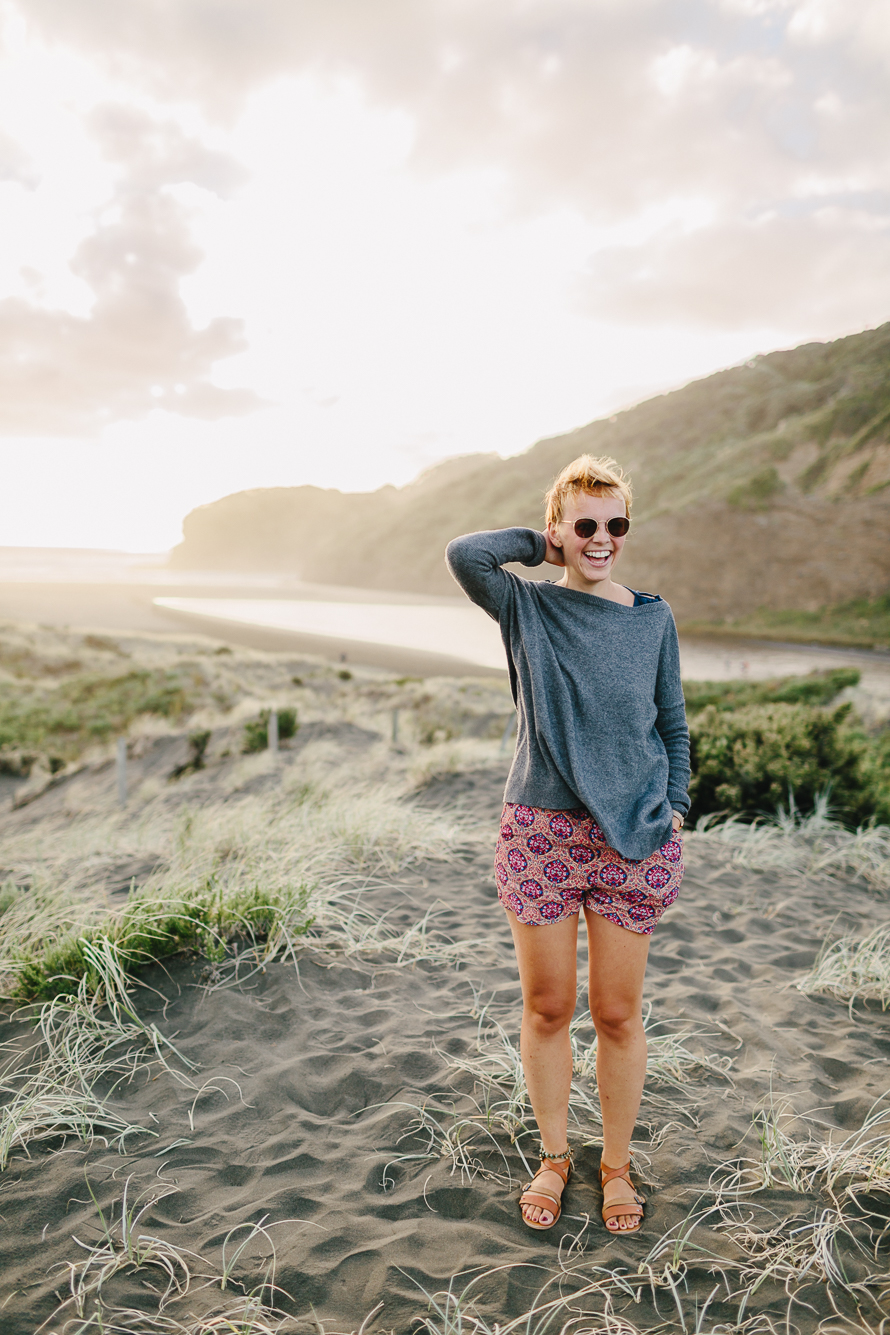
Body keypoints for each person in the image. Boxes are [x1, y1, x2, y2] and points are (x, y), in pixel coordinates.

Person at [445, 455, 689, 1235]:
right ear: (559, 529)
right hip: (542, 830)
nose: (602, 538)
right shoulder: (526, 607)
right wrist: (539, 543)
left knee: (617, 1012)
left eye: (615, 523)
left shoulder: (652, 617)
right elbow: (465, 554)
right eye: (585, 524)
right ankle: (554, 1156)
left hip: (632, 838)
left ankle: (614, 1166)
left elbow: (672, 723)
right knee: (549, 1006)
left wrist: (676, 803)